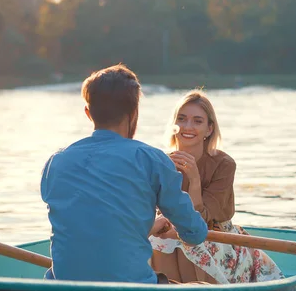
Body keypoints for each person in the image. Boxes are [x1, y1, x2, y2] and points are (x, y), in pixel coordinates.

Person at [40, 65, 208, 284]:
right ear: (134, 113)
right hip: (131, 285)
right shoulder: (152, 160)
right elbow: (194, 234)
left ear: (88, 113)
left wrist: (146, 226)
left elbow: (92, 219)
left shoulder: (55, 162)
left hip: (63, 284)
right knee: (201, 287)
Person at [150, 89, 284, 284]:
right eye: (182, 119)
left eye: (197, 121)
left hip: (217, 236)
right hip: (170, 234)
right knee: (156, 241)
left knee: (192, 243)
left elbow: (201, 223)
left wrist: (194, 179)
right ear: (174, 125)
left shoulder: (224, 164)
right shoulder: (159, 162)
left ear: (209, 129)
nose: (188, 126)